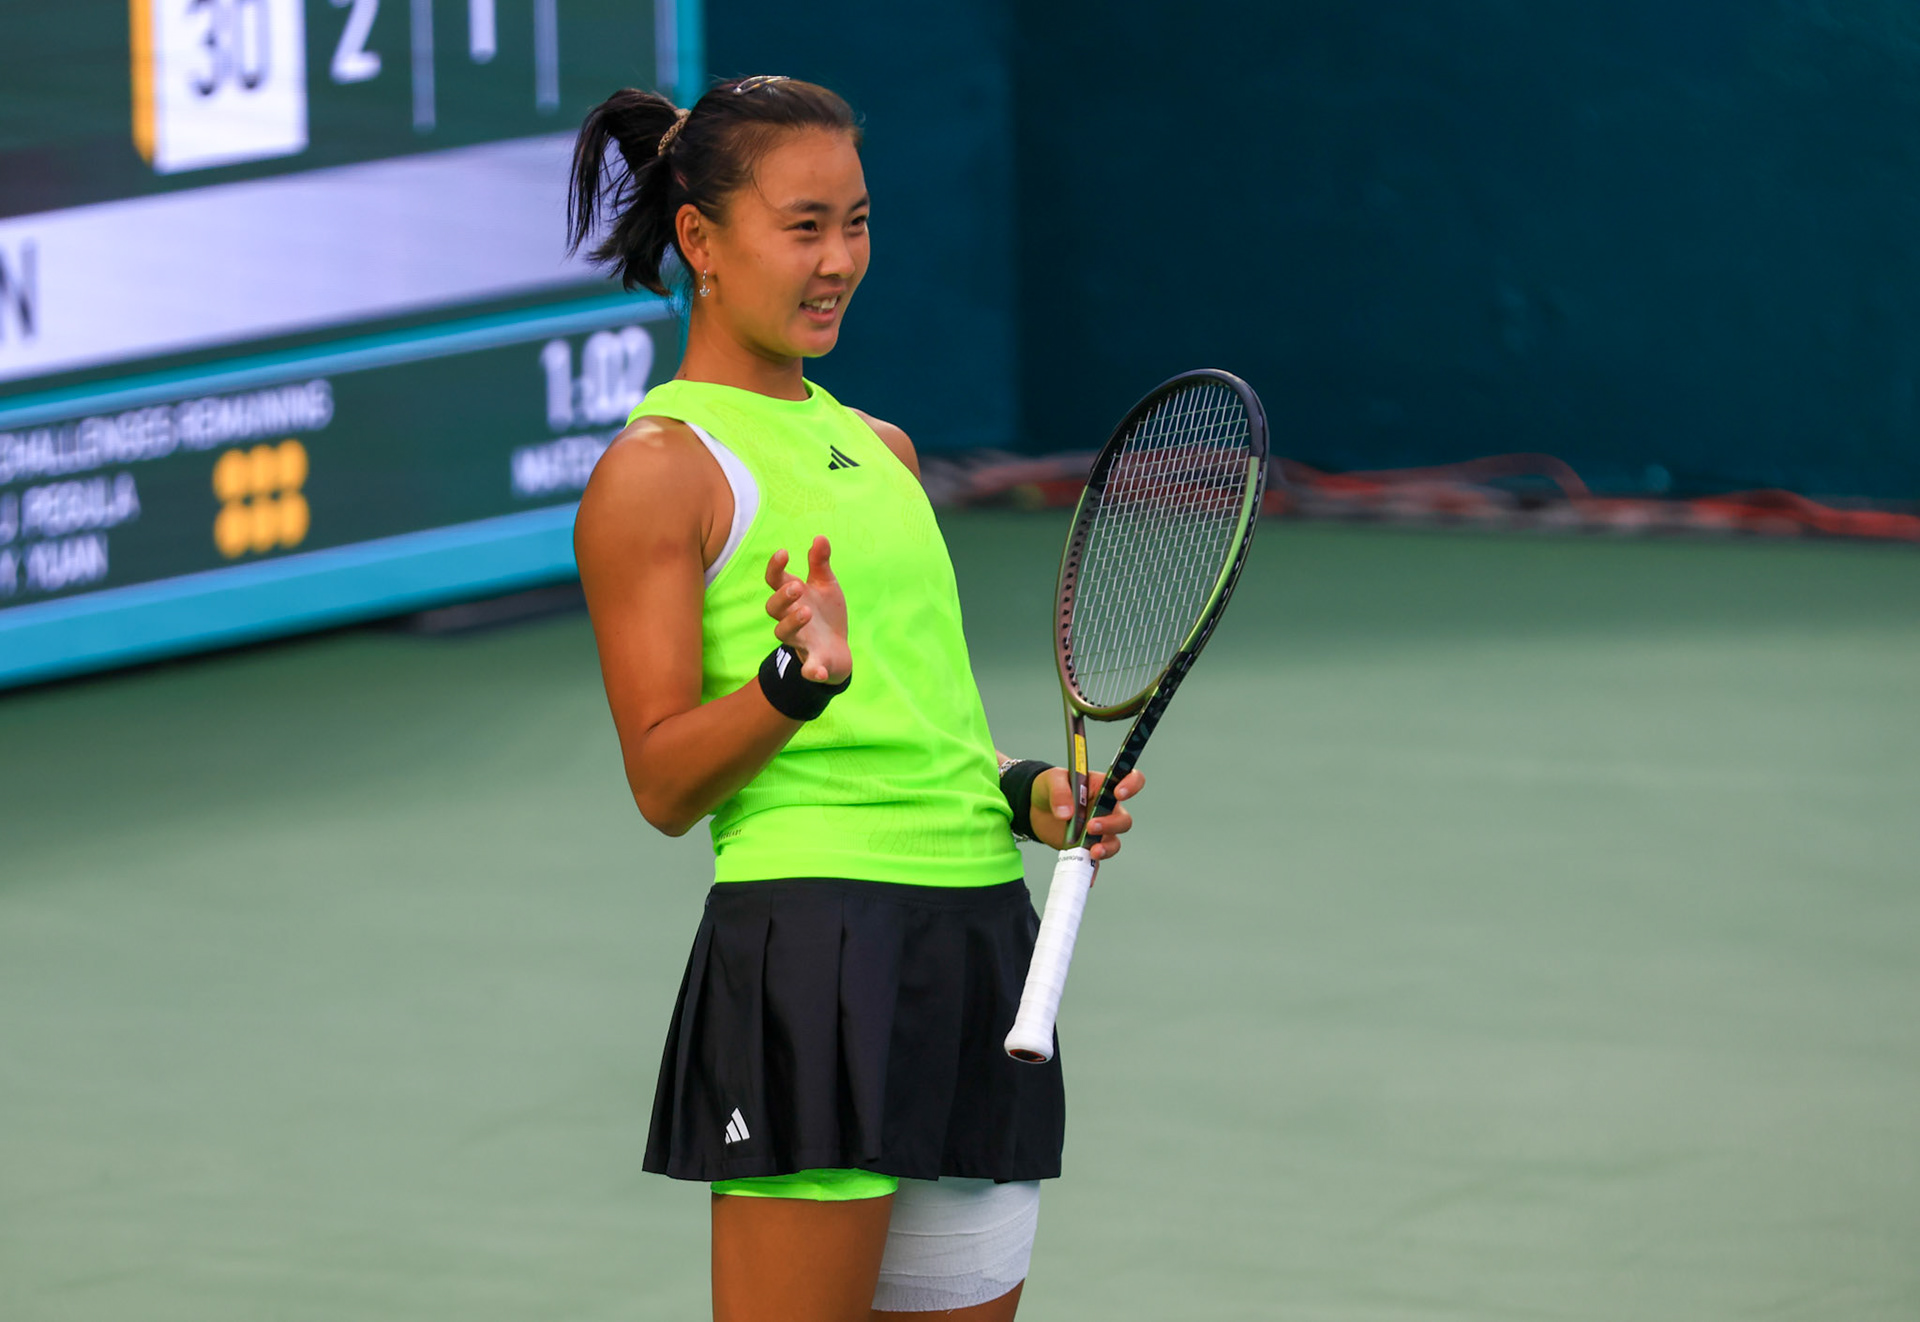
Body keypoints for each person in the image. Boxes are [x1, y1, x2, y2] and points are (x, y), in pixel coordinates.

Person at [565, 75, 1144, 1322]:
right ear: (702, 242)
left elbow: (922, 719)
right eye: (804, 225)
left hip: (980, 937)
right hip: (815, 949)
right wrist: (787, 686)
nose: (838, 261)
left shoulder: (882, 449)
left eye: (859, 222)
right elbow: (663, 781)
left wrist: (1028, 793)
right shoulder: (659, 473)